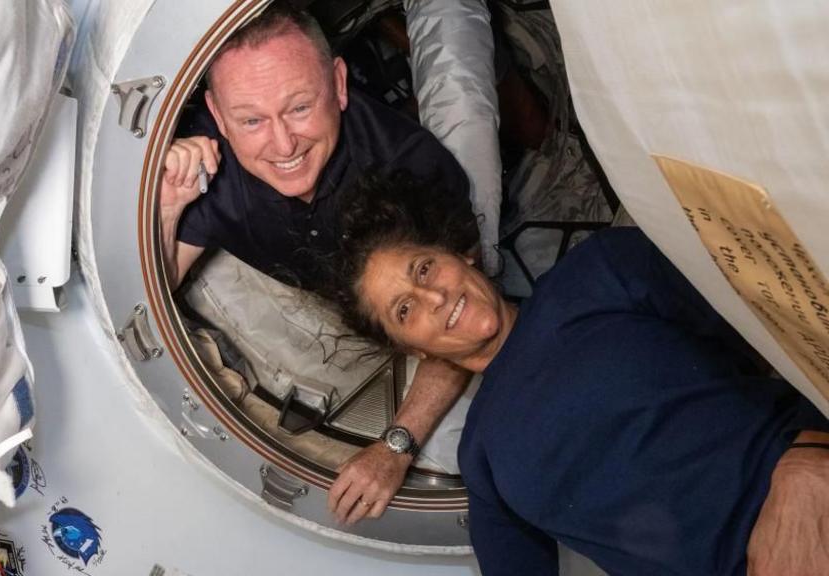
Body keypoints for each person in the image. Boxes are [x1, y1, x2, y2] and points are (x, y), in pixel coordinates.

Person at [330, 171, 829, 574]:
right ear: (412, 349)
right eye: (404, 310)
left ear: (461, 254)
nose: (435, 298)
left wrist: (807, 461)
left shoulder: (597, 273)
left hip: (799, 484)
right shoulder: (481, 456)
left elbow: (788, 323)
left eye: (424, 269)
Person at [158, 3, 482, 522]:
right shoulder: (208, 165)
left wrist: (395, 446)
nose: (283, 144)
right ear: (218, 116)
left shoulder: (412, 170)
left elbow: (467, 320)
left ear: (338, 83)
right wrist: (170, 203)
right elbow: (156, 286)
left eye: (300, 108)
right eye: (251, 120)